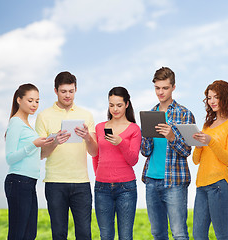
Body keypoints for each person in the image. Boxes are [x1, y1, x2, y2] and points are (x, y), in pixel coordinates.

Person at [35, 71, 98, 240]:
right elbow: (40, 154)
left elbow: (94, 152)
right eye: (63, 91)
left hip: (81, 183)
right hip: (55, 182)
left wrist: (87, 137)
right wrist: (55, 141)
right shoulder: (43, 116)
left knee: (85, 234)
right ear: (55, 91)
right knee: (58, 233)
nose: (68, 95)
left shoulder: (86, 115)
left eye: (71, 91)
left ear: (76, 89)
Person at [141, 67, 195, 240]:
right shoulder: (151, 114)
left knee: (179, 234)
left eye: (165, 88)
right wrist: (148, 136)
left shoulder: (185, 114)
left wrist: (171, 137)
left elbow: (187, 151)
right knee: (158, 233)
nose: (160, 92)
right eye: (157, 88)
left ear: (173, 87)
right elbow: (145, 151)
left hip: (175, 182)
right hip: (151, 181)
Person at [192, 80, 228, 240]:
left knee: (221, 235)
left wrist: (210, 141)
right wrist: (199, 145)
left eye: (216, 97)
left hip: (219, 185)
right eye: (209, 98)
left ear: (225, 98)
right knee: (198, 235)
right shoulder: (207, 125)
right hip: (201, 186)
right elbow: (195, 160)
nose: (211, 101)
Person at [5, 83, 53, 240]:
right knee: (18, 234)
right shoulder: (16, 122)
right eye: (30, 100)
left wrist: (52, 142)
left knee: (29, 234)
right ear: (19, 100)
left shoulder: (28, 126)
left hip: (29, 183)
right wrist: (34, 144)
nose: (34, 105)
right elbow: (10, 157)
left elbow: (35, 155)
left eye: (37, 101)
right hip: (18, 182)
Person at [92, 86, 141, 240]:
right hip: (102, 188)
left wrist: (121, 142)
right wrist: (100, 176)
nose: (115, 109)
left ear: (127, 104)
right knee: (105, 235)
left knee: (125, 236)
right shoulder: (100, 127)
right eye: (111, 105)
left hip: (126, 188)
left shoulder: (134, 129)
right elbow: (95, 156)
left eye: (119, 105)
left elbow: (133, 160)